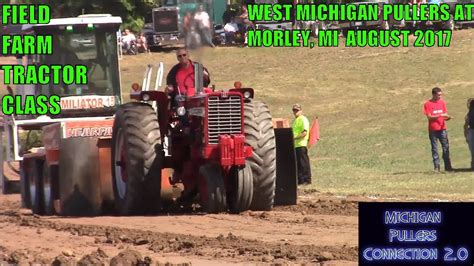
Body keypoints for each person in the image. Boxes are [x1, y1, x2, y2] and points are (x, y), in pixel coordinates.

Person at [423, 87, 453, 172]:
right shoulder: (427, 104)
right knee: (434, 148)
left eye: (441, 95)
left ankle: (448, 167)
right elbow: (429, 117)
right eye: (438, 95)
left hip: (442, 128)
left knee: (445, 147)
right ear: (433, 95)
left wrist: (447, 117)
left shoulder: (442, 102)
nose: (440, 96)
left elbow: (445, 114)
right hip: (433, 129)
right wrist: (440, 115)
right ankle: (437, 167)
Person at [291, 104, 312, 185]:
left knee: (303, 163)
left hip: (301, 144)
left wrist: (294, 138)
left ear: (301, 111)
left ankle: (306, 180)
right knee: (298, 164)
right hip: (296, 145)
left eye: (297, 110)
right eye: (294, 110)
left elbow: (304, 132)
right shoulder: (296, 120)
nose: (295, 112)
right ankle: (300, 181)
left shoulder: (303, 119)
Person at [464, 98, 474, 170]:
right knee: (472, 149)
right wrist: (466, 135)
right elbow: (466, 124)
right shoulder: (470, 112)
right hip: (471, 130)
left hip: (471, 131)